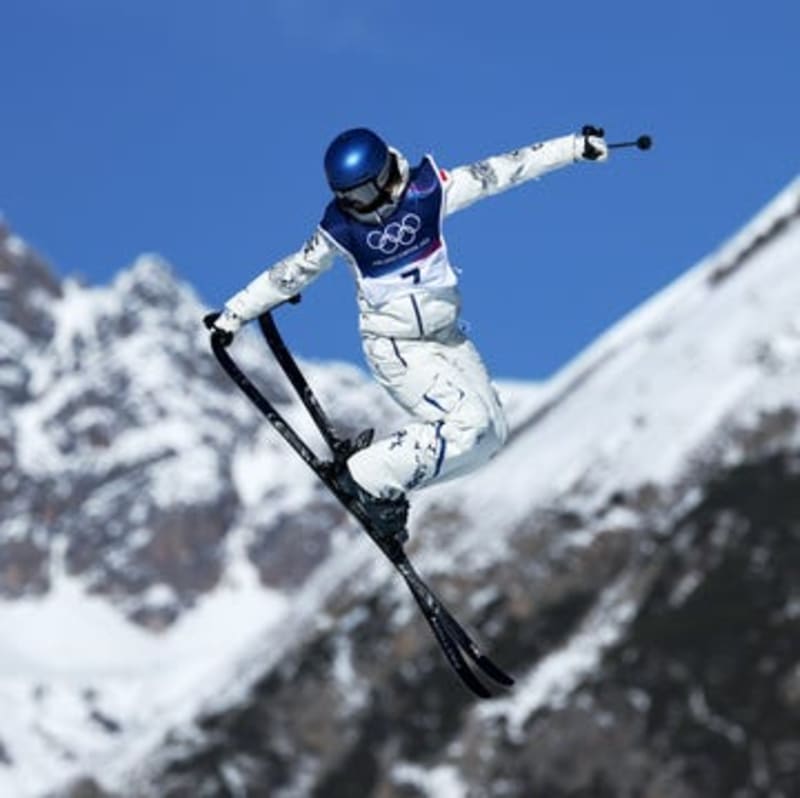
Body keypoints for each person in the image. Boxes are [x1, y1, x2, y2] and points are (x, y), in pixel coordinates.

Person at [206, 125, 609, 542]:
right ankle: (369, 474)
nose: (359, 207)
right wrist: (233, 314)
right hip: (397, 348)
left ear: (384, 177)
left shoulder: (427, 192)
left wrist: (574, 147)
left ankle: (381, 482)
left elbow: (502, 171)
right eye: (347, 198)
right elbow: (293, 271)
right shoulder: (341, 230)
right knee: (467, 426)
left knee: (490, 436)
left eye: (363, 194)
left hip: (446, 336)